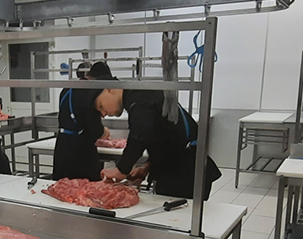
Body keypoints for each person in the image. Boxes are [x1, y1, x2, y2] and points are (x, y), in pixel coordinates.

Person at [94, 77, 223, 200]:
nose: (103, 114)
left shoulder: (138, 98)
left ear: (109, 89)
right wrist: (148, 167)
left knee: (177, 220)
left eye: (101, 106)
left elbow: (140, 134)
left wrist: (121, 170)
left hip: (184, 175)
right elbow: (167, 136)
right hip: (182, 167)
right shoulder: (141, 95)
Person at [54, 62, 113, 180]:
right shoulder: (89, 91)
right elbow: (94, 128)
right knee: (86, 190)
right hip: (80, 150)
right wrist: (103, 131)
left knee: (63, 188)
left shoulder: (67, 88)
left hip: (62, 144)